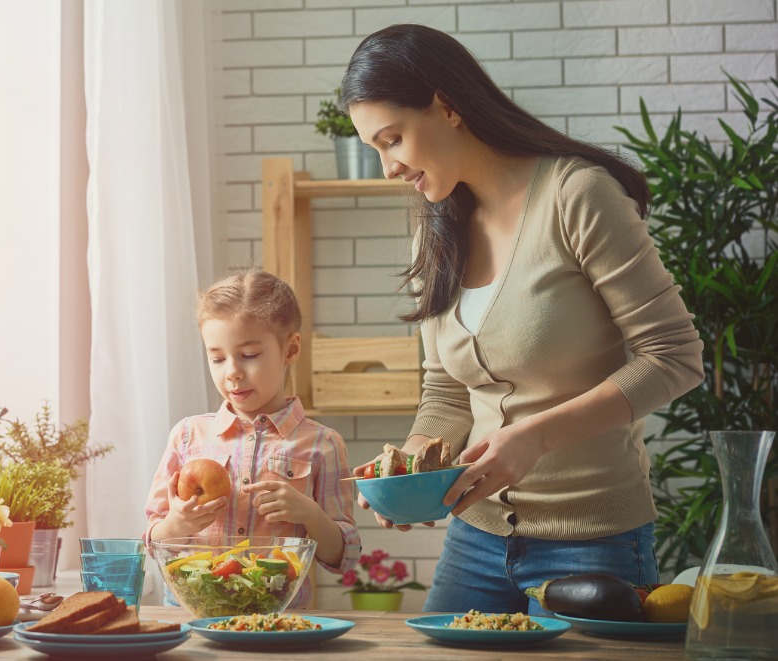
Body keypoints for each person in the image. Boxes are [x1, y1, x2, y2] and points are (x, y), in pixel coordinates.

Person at [339, 24, 705, 615]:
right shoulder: (434, 231)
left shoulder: (577, 195)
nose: (387, 168)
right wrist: (407, 471)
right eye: (375, 148)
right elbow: (447, 390)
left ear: (447, 106)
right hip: (475, 539)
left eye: (393, 139)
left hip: (593, 543)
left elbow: (674, 357)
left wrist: (533, 438)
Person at [143, 268, 361, 607]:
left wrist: (311, 515)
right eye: (217, 358)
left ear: (290, 349)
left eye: (249, 355)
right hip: (192, 614)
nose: (231, 371)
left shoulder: (323, 444)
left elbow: (343, 557)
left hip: (278, 617)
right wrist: (177, 523)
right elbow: (152, 536)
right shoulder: (187, 436)